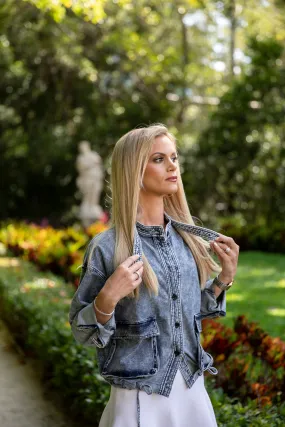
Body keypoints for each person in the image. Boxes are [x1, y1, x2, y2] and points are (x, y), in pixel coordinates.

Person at [69, 123, 239, 427]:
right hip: (138, 398)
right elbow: (83, 332)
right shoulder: (107, 247)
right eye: (159, 159)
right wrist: (107, 297)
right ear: (134, 170)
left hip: (192, 392)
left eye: (173, 157)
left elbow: (187, 314)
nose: (172, 165)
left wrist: (223, 279)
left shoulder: (188, 241)